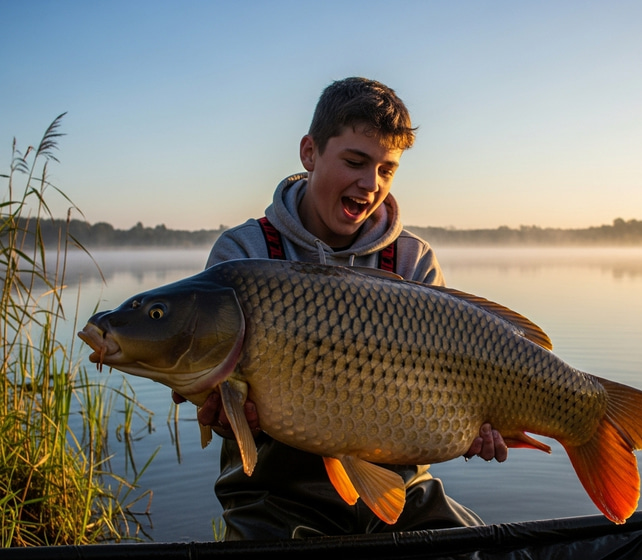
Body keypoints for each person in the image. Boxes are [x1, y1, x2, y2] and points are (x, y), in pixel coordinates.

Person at [181, 77, 508, 540]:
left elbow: (451, 395)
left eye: (386, 169)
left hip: (399, 486)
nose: (369, 183)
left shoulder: (412, 261)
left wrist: (473, 427)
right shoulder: (244, 253)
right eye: (355, 161)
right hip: (275, 496)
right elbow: (222, 413)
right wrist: (224, 418)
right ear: (309, 152)